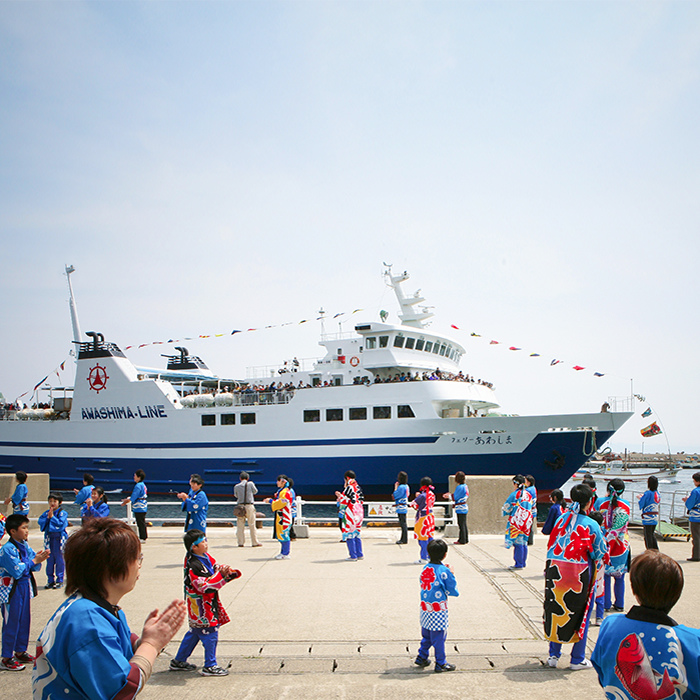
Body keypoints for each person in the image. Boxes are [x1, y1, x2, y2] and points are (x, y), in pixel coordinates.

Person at [32, 518, 186, 698]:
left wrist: (144, 641)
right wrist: (151, 645)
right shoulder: (88, 623)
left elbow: (117, 648)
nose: (139, 565)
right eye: (137, 558)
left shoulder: (92, 608)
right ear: (112, 567)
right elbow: (123, 688)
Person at [591, 550, 700, 698]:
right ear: (677, 593)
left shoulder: (610, 625)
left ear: (635, 591)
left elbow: (602, 672)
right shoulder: (693, 641)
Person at [544, 484, 607, 670]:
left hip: (555, 569)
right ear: (589, 503)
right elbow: (599, 552)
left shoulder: (562, 519)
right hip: (579, 573)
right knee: (581, 612)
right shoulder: (591, 524)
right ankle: (577, 658)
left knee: (556, 610)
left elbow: (552, 542)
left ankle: (553, 655)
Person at [169, 529, 241, 676]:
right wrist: (221, 576)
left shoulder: (205, 557)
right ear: (194, 547)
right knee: (210, 632)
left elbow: (215, 568)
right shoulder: (194, 564)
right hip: (201, 604)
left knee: (195, 632)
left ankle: (179, 660)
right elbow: (204, 586)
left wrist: (224, 571)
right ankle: (210, 664)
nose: (206, 543)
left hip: (204, 603)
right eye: (202, 541)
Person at [0, 514, 49, 671]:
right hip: (11, 589)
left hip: (24, 587)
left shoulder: (24, 545)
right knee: (11, 622)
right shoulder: (7, 549)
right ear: (12, 531)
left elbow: (32, 564)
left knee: (24, 620)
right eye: (24, 528)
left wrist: (37, 559)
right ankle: (6, 657)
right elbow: (18, 570)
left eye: (27, 527)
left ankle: (20, 651)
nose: (27, 531)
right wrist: (34, 561)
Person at [414, 539, 459, 673]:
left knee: (427, 635)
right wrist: (451, 573)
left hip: (425, 608)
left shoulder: (425, 568)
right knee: (439, 637)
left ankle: (422, 656)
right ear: (445, 554)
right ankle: (440, 662)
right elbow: (452, 589)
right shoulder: (443, 571)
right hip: (438, 610)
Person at [599, 478, 631, 612]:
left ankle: (605, 604)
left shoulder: (600, 503)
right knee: (620, 577)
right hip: (621, 547)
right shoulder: (626, 505)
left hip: (605, 545)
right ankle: (620, 604)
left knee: (605, 577)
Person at [37, 493, 69, 589]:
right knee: (49, 560)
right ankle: (50, 580)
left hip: (59, 539)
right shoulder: (46, 513)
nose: (52, 503)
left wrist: (52, 518)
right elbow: (41, 522)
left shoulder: (63, 513)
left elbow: (61, 524)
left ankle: (59, 580)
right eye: (50, 501)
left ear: (59, 502)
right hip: (49, 539)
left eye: (54, 501)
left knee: (59, 560)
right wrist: (48, 517)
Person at [502, 475, 533, 570]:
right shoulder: (528, 494)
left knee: (517, 542)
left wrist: (507, 511)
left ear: (516, 483)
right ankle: (523, 562)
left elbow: (507, 506)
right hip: (527, 520)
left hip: (517, 521)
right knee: (524, 541)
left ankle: (518, 563)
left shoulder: (515, 494)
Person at [335, 471, 364, 561]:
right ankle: (359, 553)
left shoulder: (349, 488)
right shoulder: (358, 487)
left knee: (349, 533)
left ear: (347, 478)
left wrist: (340, 496)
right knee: (357, 533)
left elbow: (343, 502)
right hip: (360, 511)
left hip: (351, 512)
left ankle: (353, 555)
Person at [264, 475, 293, 559]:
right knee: (282, 534)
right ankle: (283, 552)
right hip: (282, 516)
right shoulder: (283, 491)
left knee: (284, 534)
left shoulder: (285, 492)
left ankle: (285, 553)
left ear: (283, 482)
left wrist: (270, 501)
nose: (277, 483)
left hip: (284, 517)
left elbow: (282, 503)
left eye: (278, 481)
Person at [233, 472, 261, 548]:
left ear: (240, 478)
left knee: (240, 525)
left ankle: (240, 542)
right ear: (248, 478)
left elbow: (236, 495)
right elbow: (255, 491)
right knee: (252, 525)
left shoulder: (236, 486)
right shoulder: (250, 484)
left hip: (240, 507)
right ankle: (254, 542)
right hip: (249, 506)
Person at [413, 477, 436, 564]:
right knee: (430, 537)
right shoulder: (432, 494)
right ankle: (431, 556)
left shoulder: (422, 496)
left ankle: (423, 558)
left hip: (423, 517)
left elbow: (414, 505)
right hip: (430, 517)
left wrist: (417, 497)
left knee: (422, 538)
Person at [121, 470, 148, 542]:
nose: (134, 477)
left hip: (139, 506)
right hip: (143, 505)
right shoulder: (143, 485)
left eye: (135, 476)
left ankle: (142, 537)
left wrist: (127, 501)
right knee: (142, 521)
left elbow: (134, 496)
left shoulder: (138, 486)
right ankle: (144, 536)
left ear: (139, 477)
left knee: (140, 522)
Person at [444, 471, 469, 545]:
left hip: (460, 507)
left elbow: (455, 497)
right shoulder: (465, 486)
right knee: (464, 524)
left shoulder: (460, 487)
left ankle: (462, 539)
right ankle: (465, 538)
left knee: (461, 524)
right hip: (464, 506)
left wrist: (448, 496)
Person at [637, 475, 660, 550]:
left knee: (647, 535)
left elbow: (642, 503)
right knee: (652, 534)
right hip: (655, 516)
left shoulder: (648, 493)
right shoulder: (657, 494)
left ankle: (649, 550)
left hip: (647, 517)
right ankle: (655, 549)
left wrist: (640, 498)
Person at [683, 471, 700, 562]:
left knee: (696, 537)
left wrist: (686, 500)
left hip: (696, 517)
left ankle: (696, 555)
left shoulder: (695, 491)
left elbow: (690, 504)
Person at [393, 472, 410, 545]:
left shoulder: (401, 487)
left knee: (403, 524)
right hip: (404, 506)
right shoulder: (406, 486)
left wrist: (396, 487)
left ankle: (404, 539)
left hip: (400, 507)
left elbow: (395, 495)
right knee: (404, 523)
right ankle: (404, 538)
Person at [525, 475, 537, 545]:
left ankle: (528, 540)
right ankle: (530, 540)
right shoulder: (533, 488)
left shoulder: (528, 490)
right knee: (530, 526)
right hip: (533, 510)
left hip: (529, 511)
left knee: (528, 526)